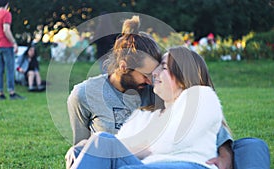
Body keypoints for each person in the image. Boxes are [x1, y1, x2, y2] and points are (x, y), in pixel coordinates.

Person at [66, 16, 270, 169]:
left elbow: (211, 129)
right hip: (125, 159)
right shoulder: (83, 95)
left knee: (251, 145)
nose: (152, 78)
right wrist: (81, 148)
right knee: (103, 142)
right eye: (147, 74)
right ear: (123, 66)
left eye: (161, 69)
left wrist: (224, 157)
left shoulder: (173, 95)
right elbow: (82, 147)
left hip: (165, 161)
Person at [70, 46, 227, 169]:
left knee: (105, 145)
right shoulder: (146, 115)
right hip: (147, 165)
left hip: (188, 163)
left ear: (182, 76)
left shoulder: (199, 97)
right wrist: (86, 147)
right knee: (99, 142)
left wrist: (126, 147)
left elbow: (172, 140)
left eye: (163, 68)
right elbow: (118, 144)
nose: (155, 74)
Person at [0, 0, 25, 100]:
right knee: (10, 69)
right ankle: (11, 92)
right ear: (7, 4)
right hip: (6, 45)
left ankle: (1, 93)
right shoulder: (6, 14)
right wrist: (14, 43)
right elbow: (6, 29)